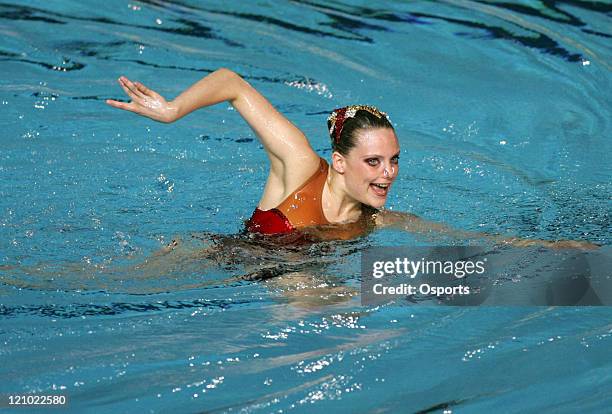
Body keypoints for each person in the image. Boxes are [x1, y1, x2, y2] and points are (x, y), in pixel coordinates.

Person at [106, 69, 597, 249]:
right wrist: (172, 111)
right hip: (217, 266)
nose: (388, 174)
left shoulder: (373, 221)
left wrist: (550, 250)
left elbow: (462, 238)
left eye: (394, 160)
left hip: (281, 300)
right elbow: (231, 82)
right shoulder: (298, 164)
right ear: (339, 161)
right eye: (374, 162)